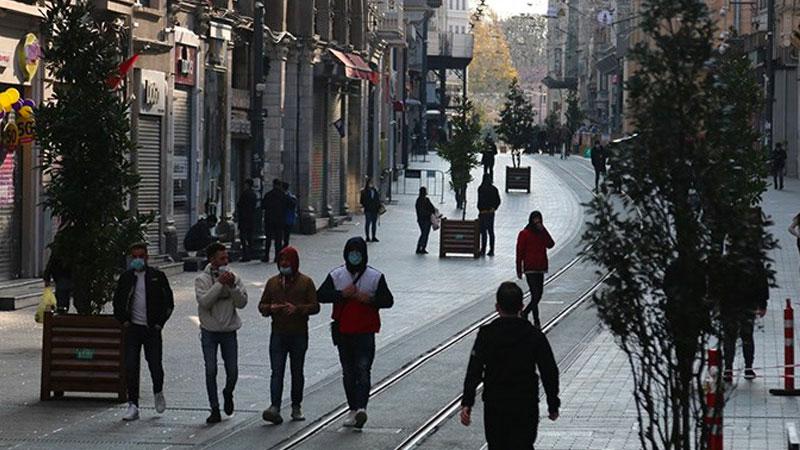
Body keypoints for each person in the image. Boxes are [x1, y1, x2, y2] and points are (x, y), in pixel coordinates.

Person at [460, 282, 560, 450]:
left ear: (497, 307)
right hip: (525, 403)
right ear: (521, 306)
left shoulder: (487, 334)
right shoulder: (534, 335)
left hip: (495, 404)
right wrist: (553, 403)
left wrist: (467, 402)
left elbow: (474, 370)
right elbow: (549, 370)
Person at [317, 237, 394, 429]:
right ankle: (353, 408)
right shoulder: (337, 275)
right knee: (349, 372)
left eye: (358, 252)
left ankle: (361, 408)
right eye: (351, 252)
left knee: (363, 369)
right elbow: (320, 295)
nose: (354, 256)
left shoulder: (374, 277)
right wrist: (342, 294)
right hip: (344, 333)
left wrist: (370, 298)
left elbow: (388, 300)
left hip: (365, 332)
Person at [112, 243, 174, 422]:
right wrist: (123, 321)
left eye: (141, 256)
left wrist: (159, 323)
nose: (138, 260)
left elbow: (168, 302)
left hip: (152, 329)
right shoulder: (126, 278)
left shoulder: (157, 276)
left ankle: (158, 391)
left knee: (155, 364)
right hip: (132, 329)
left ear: (147, 257)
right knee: (130, 365)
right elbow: (118, 301)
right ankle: (133, 404)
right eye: (134, 257)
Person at [259, 246, 320, 424]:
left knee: (297, 371)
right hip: (278, 332)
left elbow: (315, 306)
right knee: (276, 371)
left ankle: (296, 406)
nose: (284, 264)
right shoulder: (272, 283)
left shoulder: (306, 282)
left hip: (298, 333)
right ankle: (275, 406)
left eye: (287, 261)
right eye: (281, 261)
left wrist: (298, 309)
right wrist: (271, 308)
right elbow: (262, 305)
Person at [196, 242, 249, 423]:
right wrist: (219, 284)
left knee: (232, 371)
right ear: (212, 260)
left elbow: (242, 303)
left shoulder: (234, 277)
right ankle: (214, 408)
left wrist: (233, 286)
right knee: (210, 370)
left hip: (229, 331)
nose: (225, 261)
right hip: (209, 331)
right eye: (222, 258)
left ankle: (228, 392)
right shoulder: (202, 280)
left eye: (226, 258)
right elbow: (205, 302)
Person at [516, 211, 555, 328]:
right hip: (530, 268)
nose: (537, 222)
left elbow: (551, 244)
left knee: (538, 295)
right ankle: (536, 320)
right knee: (535, 294)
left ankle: (526, 313)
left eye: (539, 220)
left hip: (540, 267)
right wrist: (519, 268)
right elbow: (519, 252)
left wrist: (543, 230)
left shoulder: (541, 233)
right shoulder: (524, 234)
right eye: (535, 220)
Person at [262, 178, 287, 263]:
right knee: (278, 239)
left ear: (273, 185)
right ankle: (277, 257)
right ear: (279, 185)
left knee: (268, 238)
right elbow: (287, 206)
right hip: (279, 220)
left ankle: (266, 256)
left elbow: (263, 206)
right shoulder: (283, 195)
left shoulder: (268, 195)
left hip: (269, 219)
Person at [477, 174, 501, 257]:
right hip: (490, 213)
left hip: (482, 213)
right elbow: (498, 200)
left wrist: (480, 210)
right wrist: (494, 208)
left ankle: (483, 249)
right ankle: (491, 250)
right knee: (490, 231)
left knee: (483, 232)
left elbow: (479, 201)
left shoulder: (480, 188)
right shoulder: (494, 189)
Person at [236, 179, 258, 262]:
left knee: (243, 237)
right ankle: (250, 253)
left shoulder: (245, 194)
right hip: (251, 218)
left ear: (248, 185)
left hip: (244, 218)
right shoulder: (254, 194)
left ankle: (245, 254)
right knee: (249, 237)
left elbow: (240, 205)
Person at [415, 187, 437, 254]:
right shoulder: (420, 201)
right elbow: (422, 211)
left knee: (425, 234)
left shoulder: (424, 200)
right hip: (424, 219)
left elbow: (432, 208)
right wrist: (430, 213)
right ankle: (420, 248)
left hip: (425, 220)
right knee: (424, 234)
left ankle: (421, 247)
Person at [360, 178, 381, 242]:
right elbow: (362, 200)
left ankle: (373, 236)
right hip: (368, 209)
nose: (371, 184)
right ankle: (367, 237)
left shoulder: (375, 191)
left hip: (375, 210)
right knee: (368, 223)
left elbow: (377, 200)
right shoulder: (364, 191)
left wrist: (379, 207)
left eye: (372, 183)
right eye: (370, 183)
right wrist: (365, 205)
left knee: (374, 224)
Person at [283, 182, 298, 249]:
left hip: (286, 218)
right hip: (289, 219)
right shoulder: (292, 197)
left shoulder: (287, 197)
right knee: (286, 235)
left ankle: (284, 247)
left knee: (285, 235)